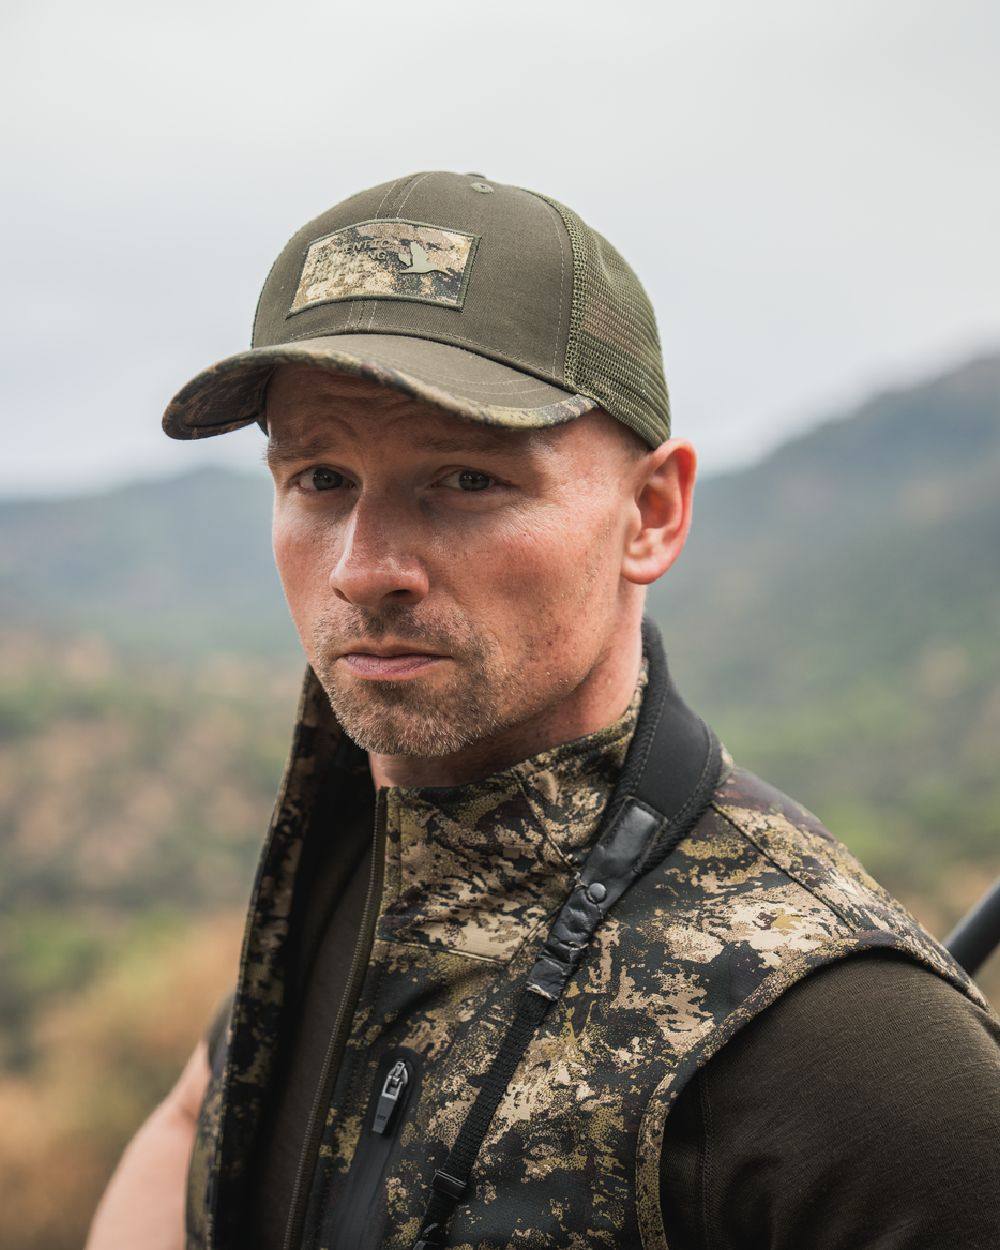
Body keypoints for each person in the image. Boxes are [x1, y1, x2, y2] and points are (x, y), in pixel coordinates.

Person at [86, 171, 1000, 1250]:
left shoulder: (842, 1034)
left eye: (467, 479)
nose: (363, 568)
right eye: (321, 477)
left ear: (650, 513)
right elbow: (202, 1111)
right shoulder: (355, 852)